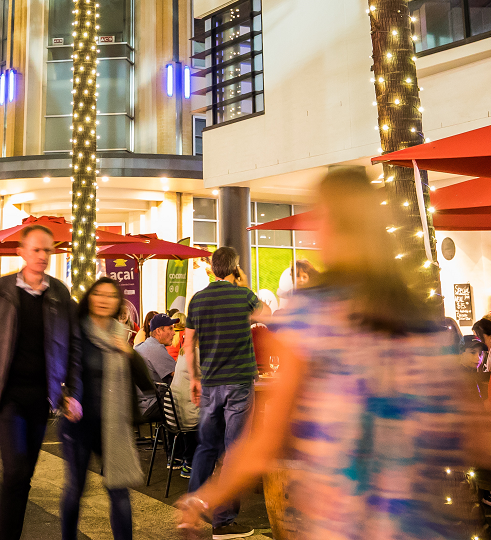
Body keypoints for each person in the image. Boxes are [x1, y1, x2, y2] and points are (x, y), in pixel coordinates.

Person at [176, 169, 472, 540]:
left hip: (345, 522)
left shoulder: (313, 315)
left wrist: (202, 499)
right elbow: (472, 433)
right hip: (424, 525)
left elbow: (265, 441)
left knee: (212, 442)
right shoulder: (422, 319)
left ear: (330, 225)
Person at [0, 223, 76, 540]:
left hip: (41, 397)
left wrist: (71, 390)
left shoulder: (59, 294)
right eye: (36, 249)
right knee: (15, 470)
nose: (42, 256)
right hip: (6, 394)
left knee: (25, 475)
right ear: (21, 252)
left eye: (47, 250)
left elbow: (73, 343)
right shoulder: (0, 290)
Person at [60, 277, 156, 540]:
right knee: (75, 489)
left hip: (113, 425)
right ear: (90, 298)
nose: (103, 300)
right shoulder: (76, 331)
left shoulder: (120, 335)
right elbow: (59, 368)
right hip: (79, 424)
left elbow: (147, 383)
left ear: (118, 303)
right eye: (98, 294)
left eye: (110, 295)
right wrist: (63, 397)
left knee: (119, 491)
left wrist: (129, 352)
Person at [181, 247, 260, 539]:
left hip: (211, 382)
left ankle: (191, 510)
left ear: (213, 270)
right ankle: (223, 521)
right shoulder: (244, 295)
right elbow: (267, 315)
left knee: (206, 446)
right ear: (235, 269)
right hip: (239, 382)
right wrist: (244, 285)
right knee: (234, 449)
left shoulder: (197, 300)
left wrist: (194, 378)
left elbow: (188, 344)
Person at [136, 314, 177, 382]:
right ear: (158, 331)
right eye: (170, 329)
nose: (174, 333)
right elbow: (178, 376)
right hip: (151, 392)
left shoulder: (143, 346)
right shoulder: (157, 349)